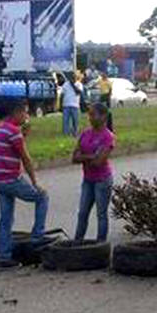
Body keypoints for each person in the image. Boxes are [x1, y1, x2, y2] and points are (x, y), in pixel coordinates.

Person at [0, 100, 48, 268]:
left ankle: (4, 256)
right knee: (42, 198)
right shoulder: (14, 132)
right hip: (11, 179)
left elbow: (12, 147)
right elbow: (25, 157)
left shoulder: (0, 128)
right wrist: (35, 182)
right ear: (16, 113)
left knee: (6, 219)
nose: (26, 116)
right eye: (24, 112)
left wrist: (23, 136)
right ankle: (37, 237)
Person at [72, 103, 114, 242]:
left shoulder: (107, 136)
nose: (90, 118)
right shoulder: (85, 133)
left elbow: (99, 162)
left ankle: (100, 244)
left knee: (101, 214)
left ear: (103, 116)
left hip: (102, 179)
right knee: (82, 213)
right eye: (89, 114)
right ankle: (78, 241)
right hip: (88, 179)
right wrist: (91, 156)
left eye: (93, 114)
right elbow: (74, 157)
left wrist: (84, 157)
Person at [61, 72, 82, 137]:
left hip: (75, 105)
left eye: (74, 77)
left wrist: (72, 84)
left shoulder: (79, 84)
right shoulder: (65, 84)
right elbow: (62, 94)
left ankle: (75, 132)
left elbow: (78, 92)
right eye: (71, 77)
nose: (72, 78)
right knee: (65, 121)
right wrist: (61, 104)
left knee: (75, 120)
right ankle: (66, 133)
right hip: (66, 105)